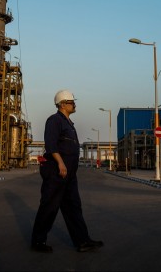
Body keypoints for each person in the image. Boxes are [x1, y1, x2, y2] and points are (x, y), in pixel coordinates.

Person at [31, 89, 104, 253]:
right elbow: (51, 145)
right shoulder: (54, 120)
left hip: (69, 174)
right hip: (57, 171)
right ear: (62, 104)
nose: (74, 104)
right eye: (71, 102)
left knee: (73, 207)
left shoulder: (69, 124)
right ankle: (38, 241)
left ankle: (82, 241)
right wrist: (61, 164)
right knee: (49, 206)